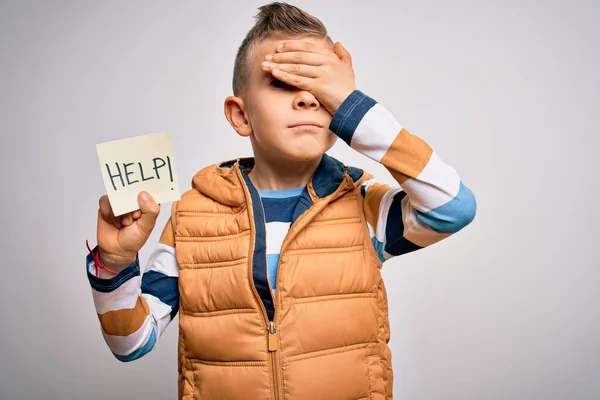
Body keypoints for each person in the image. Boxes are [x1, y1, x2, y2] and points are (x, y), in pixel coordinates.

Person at [86, 2, 477, 399]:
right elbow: (131, 343)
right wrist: (114, 264)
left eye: (322, 88)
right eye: (282, 82)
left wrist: (353, 106)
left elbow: (452, 207)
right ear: (241, 116)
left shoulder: (363, 205)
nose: (308, 99)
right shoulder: (191, 217)